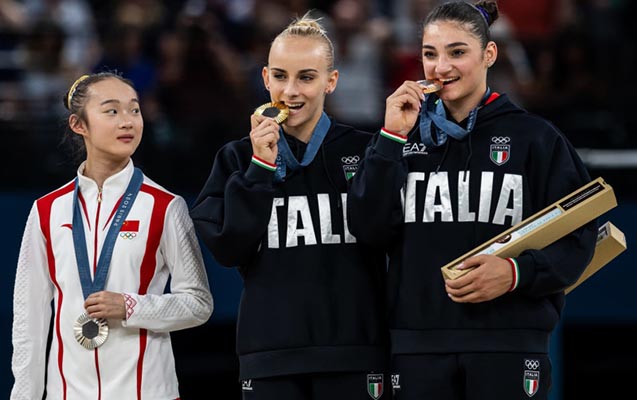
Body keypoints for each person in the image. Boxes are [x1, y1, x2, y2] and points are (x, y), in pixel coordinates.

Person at [347, 1, 598, 399]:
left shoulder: (536, 138)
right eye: (430, 54)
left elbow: (582, 234)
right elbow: (367, 229)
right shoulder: (400, 139)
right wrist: (390, 138)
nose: (441, 67)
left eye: (457, 51)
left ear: (489, 54)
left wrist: (517, 273)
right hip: (417, 346)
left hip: (510, 344)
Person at [190, 13, 389, 400]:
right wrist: (260, 168)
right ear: (265, 78)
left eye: (307, 77)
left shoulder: (367, 152)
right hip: (270, 355)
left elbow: (387, 235)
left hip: (355, 353)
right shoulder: (236, 158)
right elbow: (229, 247)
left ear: (331, 81)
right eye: (280, 76)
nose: (290, 91)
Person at [11, 71, 213, 399]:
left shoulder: (165, 207)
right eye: (111, 111)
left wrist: (131, 306)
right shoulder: (47, 211)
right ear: (79, 125)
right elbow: (29, 318)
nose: (127, 122)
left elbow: (199, 303)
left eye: (134, 110)